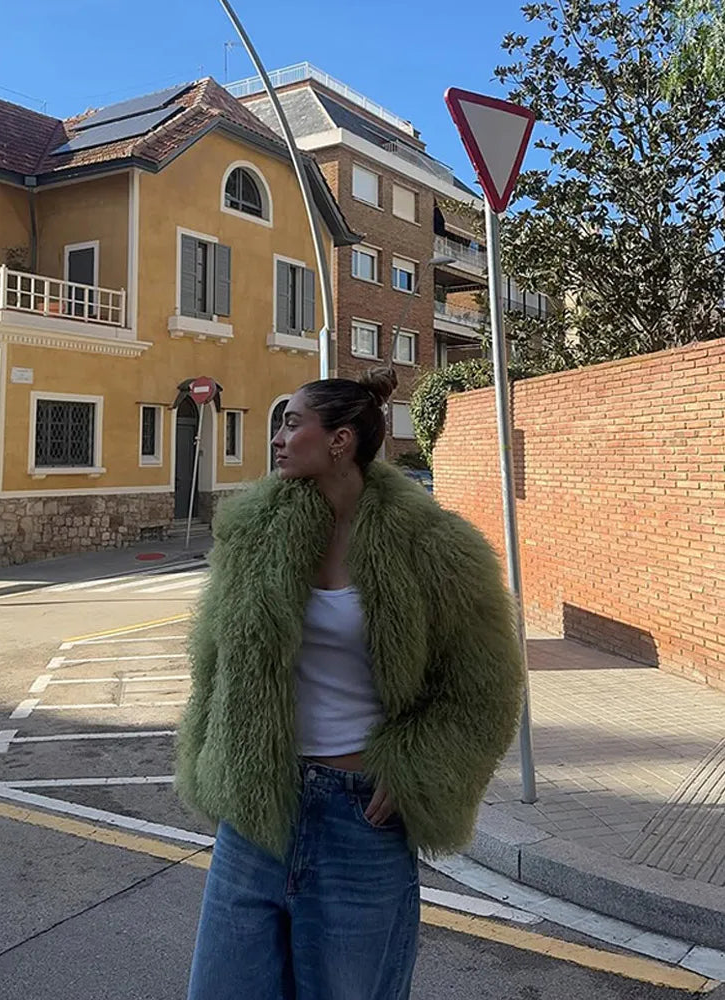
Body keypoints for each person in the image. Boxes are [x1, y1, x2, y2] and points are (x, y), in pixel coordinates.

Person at [177, 368, 524, 1000]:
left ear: (340, 441)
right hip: (256, 813)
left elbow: (486, 688)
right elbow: (215, 659)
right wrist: (214, 757)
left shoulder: (433, 546)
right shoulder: (255, 532)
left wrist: (421, 770)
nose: (278, 438)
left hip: (359, 819)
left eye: (292, 424)